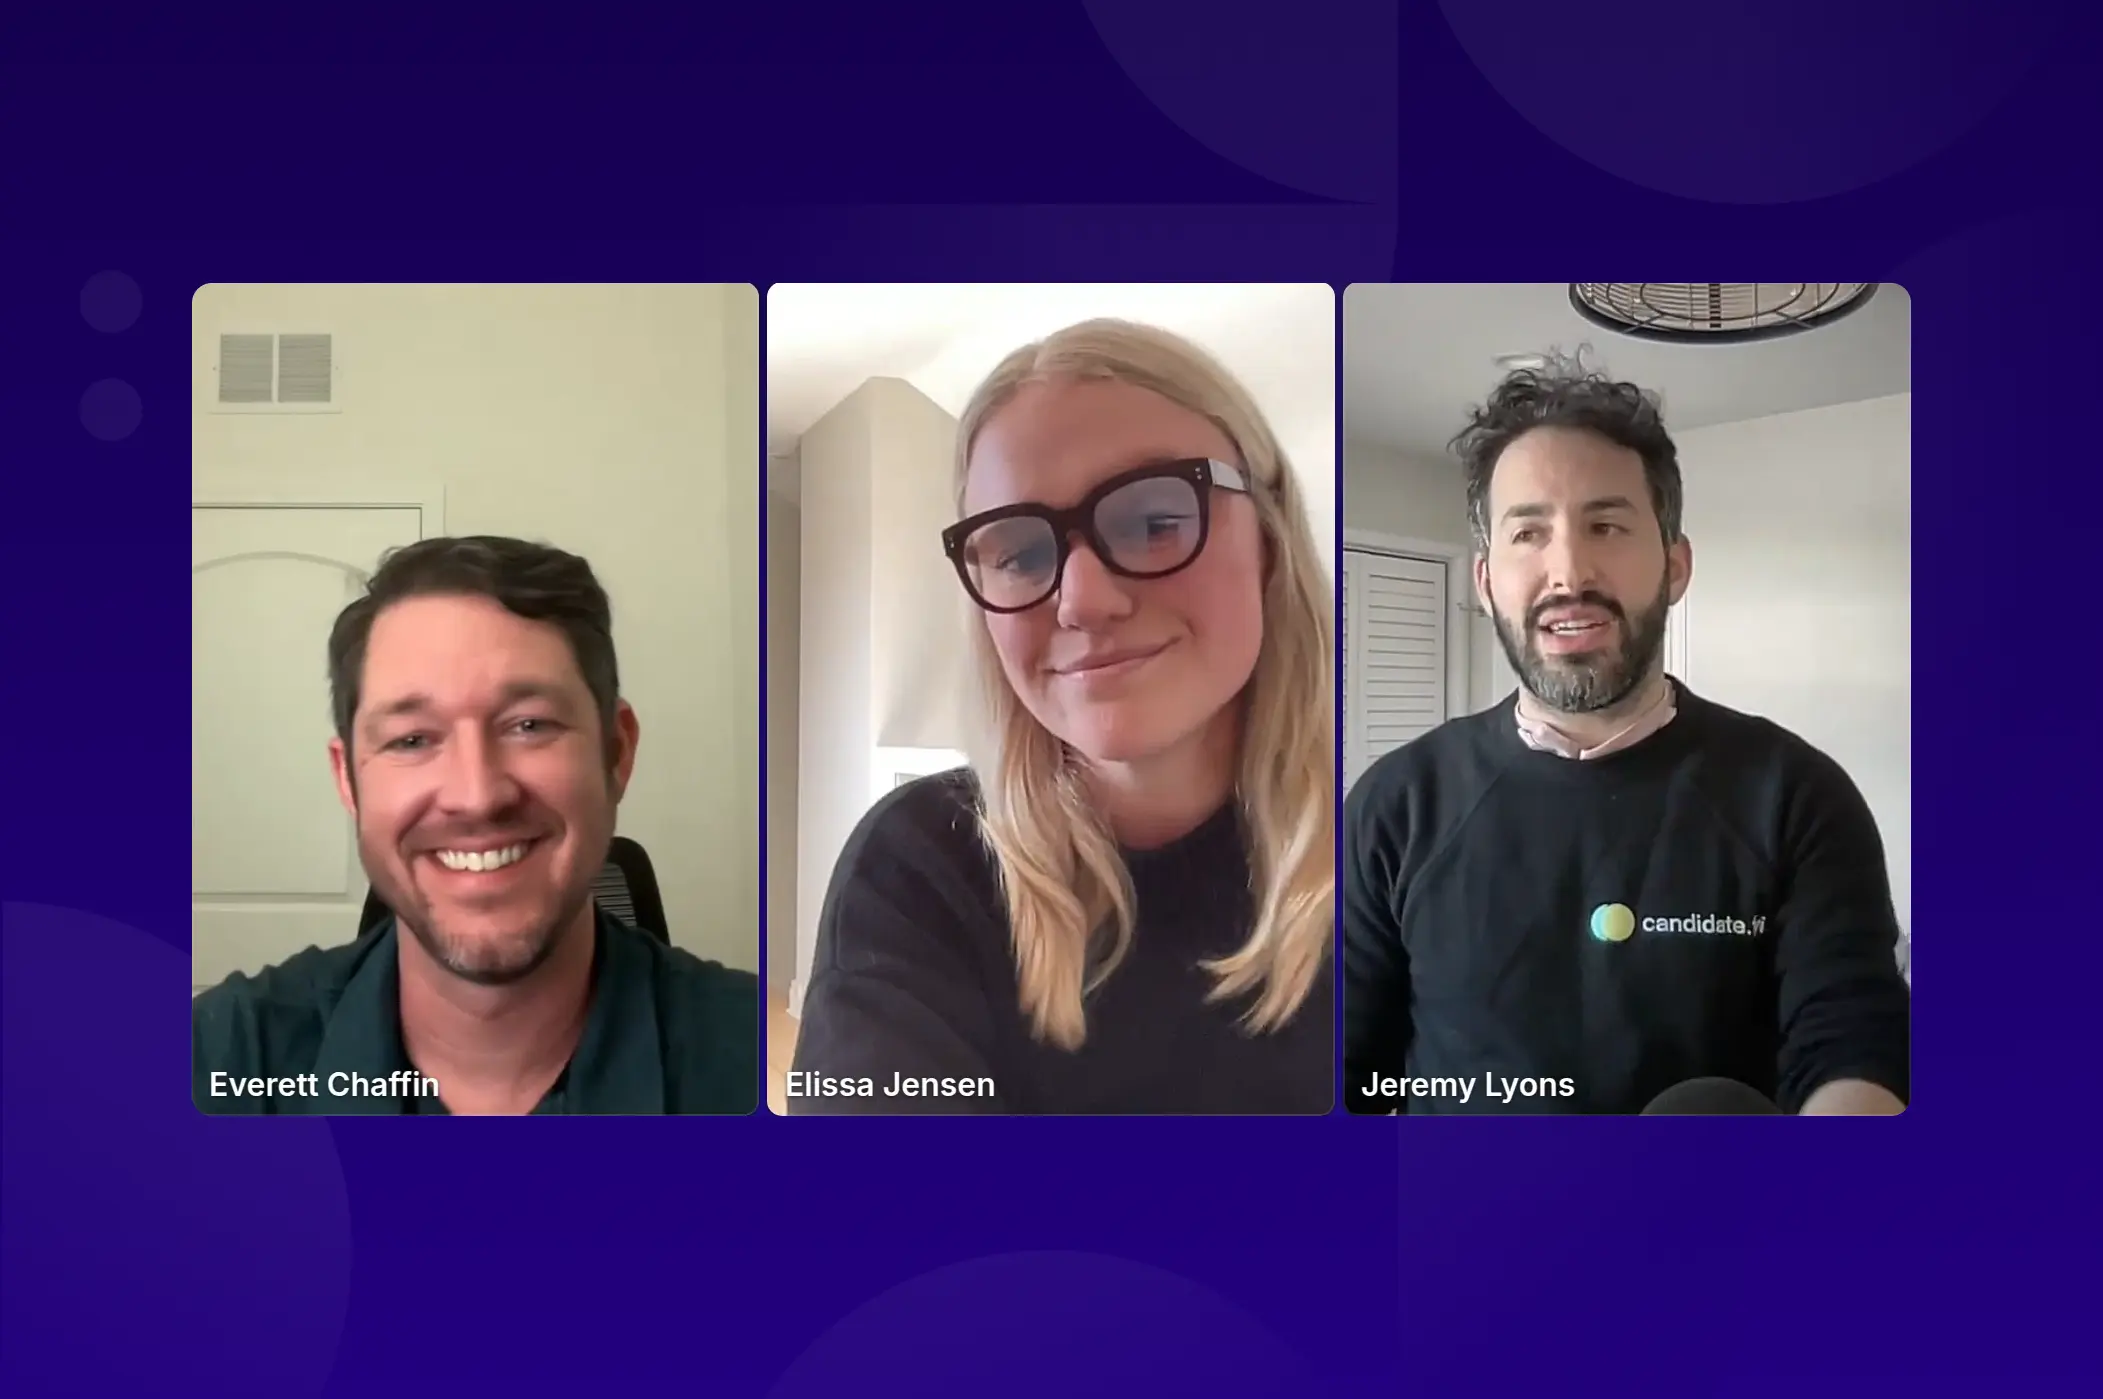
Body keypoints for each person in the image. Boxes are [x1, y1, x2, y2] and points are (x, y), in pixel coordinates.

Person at [788, 318, 1335, 1114]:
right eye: (1017, 554)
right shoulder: (917, 862)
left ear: (1270, 539)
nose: (1082, 600)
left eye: (1153, 521)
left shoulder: (1393, 844)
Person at [1342, 358, 1910, 1116]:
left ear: (1673, 565)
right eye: (1528, 533)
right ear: (1483, 582)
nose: (1568, 570)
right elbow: (1338, 1068)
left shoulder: (1797, 796)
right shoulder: (1395, 803)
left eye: (1605, 525)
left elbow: (1853, 1045)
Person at [192, 536, 758, 1115]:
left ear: (616, 752)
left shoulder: (768, 1063)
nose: (477, 796)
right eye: (412, 739)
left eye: (530, 725)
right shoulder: (223, 1059)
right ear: (347, 780)